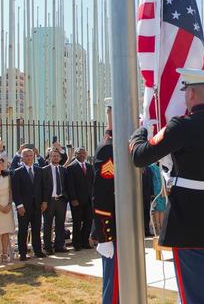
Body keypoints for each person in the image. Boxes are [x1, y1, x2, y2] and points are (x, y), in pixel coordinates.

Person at [131, 68, 204, 303]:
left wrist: (138, 135)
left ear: (190, 94)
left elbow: (140, 156)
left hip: (188, 222)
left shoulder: (182, 126)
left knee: (194, 296)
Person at [92, 109, 118, 304]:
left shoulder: (118, 145)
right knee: (114, 285)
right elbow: (102, 195)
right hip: (114, 229)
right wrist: (105, 236)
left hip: (124, 225)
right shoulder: (108, 148)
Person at [12, 148, 46, 260]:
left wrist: (44, 202)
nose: (29, 158)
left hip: (37, 206)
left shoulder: (39, 170)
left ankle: (37, 250)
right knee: (23, 230)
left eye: (31, 155)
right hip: (24, 207)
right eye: (26, 156)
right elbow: (15, 191)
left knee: (36, 229)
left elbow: (44, 187)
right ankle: (22, 252)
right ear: (22, 158)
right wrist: (19, 205)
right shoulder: (17, 172)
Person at [66, 147, 94, 251]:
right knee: (77, 222)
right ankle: (76, 243)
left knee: (88, 221)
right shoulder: (71, 167)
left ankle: (84, 241)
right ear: (76, 155)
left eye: (84, 153)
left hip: (88, 199)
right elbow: (70, 185)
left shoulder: (89, 167)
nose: (82, 155)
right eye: (79, 153)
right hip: (77, 200)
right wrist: (73, 198)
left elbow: (92, 183)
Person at [41, 147, 69, 254]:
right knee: (48, 225)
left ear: (60, 158)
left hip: (61, 200)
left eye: (57, 156)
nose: (55, 157)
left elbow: (66, 184)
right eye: (53, 156)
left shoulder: (63, 170)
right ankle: (47, 247)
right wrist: (43, 201)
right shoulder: (44, 170)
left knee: (60, 224)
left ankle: (59, 245)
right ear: (50, 157)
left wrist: (65, 197)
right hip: (49, 201)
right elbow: (42, 187)